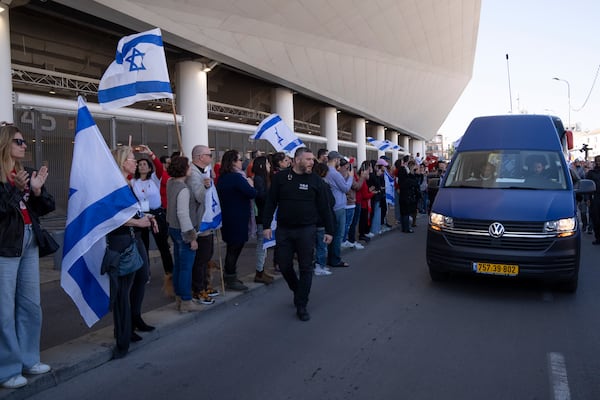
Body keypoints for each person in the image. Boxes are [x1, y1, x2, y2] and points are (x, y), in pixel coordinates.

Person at [0, 124, 55, 389]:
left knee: (31, 305)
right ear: (5, 144)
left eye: (23, 142)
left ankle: (28, 359)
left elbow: (46, 207)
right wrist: (15, 189)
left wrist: (36, 191)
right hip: (5, 247)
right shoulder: (4, 178)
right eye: (19, 142)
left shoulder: (24, 173)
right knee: (4, 310)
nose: (24, 146)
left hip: (29, 241)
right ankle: (7, 369)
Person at [263, 147, 334, 321]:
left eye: (312, 159)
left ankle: (301, 304)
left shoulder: (316, 181)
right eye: (308, 159)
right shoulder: (281, 178)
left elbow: (326, 207)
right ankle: (298, 289)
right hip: (284, 230)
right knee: (284, 265)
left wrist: (330, 230)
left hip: (306, 230)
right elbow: (270, 202)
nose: (312, 162)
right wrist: (266, 225)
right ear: (297, 160)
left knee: (306, 267)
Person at [108, 146, 157, 359]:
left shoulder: (126, 182)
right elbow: (113, 216)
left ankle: (132, 322)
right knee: (122, 290)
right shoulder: (114, 184)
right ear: (121, 161)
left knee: (140, 277)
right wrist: (139, 221)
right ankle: (122, 336)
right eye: (131, 158)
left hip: (133, 236)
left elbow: (132, 211)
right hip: (122, 240)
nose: (135, 162)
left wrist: (146, 219)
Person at [216, 149, 257, 291]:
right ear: (233, 162)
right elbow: (252, 193)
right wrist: (251, 183)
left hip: (228, 217)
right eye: (239, 160)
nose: (241, 163)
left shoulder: (222, 177)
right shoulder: (237, 178)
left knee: (232, 248)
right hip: (237, 217)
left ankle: (230, 275)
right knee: (235, 248)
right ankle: (230, 277)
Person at [131, 146, 174, 279]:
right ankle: (145, 273)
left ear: (149, 168)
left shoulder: (155, 178)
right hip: (142, 215)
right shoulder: (133, 181)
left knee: (162, 244)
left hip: (157, 213)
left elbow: (160, 168)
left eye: (145, 164)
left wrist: (151, 154)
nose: (142, 166)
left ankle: (170, 272)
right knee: (143, 245)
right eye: (140, 164)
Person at [166, 156, 203, 312]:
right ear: (183, 169)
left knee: (179, 265)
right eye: (187, 166)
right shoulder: (184, 190)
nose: (190, 168)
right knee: (186, 267)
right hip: (183, 230)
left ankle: (179, 297)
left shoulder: (170, 183)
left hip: (172, 228)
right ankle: (186, 301)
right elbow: (183, 214)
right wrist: (191, 238)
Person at [187, 145, 218, 305]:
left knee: (207, 255)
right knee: (201, 258)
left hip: (207, 219)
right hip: (199, 221)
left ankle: (205, 285)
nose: (211, 157)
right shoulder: (193, 174)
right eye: (209, 154)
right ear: (200, 157)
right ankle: (198, 290)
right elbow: (199, 197)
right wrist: (206, 187)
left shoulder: (203, 171)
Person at [324, 151, 352, 268]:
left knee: (332, 233)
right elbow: (345, 188)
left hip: (332, 205)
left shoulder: (326, 171)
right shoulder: (334, 173)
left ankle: (331, 257)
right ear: (335, 160)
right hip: (338, 206)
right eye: (339, 160)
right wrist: (350, 176)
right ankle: (335, 259)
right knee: (338, 234)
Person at [251, 155, 275, 284]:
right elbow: (261, 197)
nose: (269, 166)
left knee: (264, 244)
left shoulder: (264, 179)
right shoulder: (259, 179)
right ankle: (259, 272)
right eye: (267, 164)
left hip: (264, 215)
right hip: (262, 216)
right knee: (262, 244)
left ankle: (261, 270)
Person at [313, 162, 334, 276]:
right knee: (322, 244)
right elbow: (330, 202)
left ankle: (316, 264)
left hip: (312, 220)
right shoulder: (323, 185)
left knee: (315, 244)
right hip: (321, 220)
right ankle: (319, 265)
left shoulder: (312, 183)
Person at [585, 155, 600, 245]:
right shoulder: (591, 173)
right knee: (596, 219)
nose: (598, 163)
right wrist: (587, 198)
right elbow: (587, 187)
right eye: (597, 161)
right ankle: (598, 237)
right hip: (595, 198)